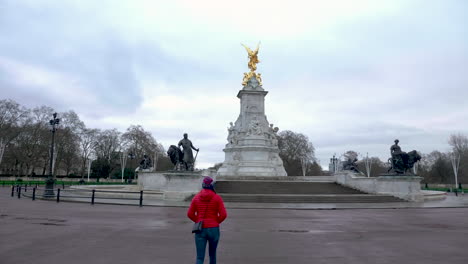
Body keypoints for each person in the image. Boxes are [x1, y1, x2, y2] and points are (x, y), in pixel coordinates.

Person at [187, 177, 227, 264]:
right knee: (212, 255)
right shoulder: (217, 198)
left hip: (200, 228)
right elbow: (223, 215)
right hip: (213, 229)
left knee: (199, 257)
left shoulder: (196, 197)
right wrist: (216, 222)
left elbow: (190, 214)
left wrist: (198, 221)